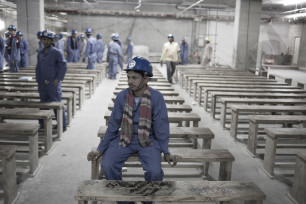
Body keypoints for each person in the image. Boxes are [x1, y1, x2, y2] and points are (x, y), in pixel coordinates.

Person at [87, 56, 182, 204]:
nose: (130, 81)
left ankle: (147, 200)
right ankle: (124, 200)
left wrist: (166, 151)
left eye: (135, 78)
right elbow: (113, 125)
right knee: (108, 165)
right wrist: (100, 149)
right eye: (128, 77)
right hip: (125, 137)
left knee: (155, 172)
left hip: (148, 140)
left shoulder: (156, 98)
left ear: (146, 79)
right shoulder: (122, 96)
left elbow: (161, 127)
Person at [36, 30, 68, 132]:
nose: (46, 42)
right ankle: (43, 124)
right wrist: (38, 80)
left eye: (48, 40)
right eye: (44, 39)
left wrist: (58, 79)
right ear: (41, 40)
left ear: (52, 41)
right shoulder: (40, 53)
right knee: (43, 104)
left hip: (52, 84)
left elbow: (63, 66)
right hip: (42, 84)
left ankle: (62, 125)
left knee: (56, 104)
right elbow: (38, 67)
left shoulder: (56, 52)